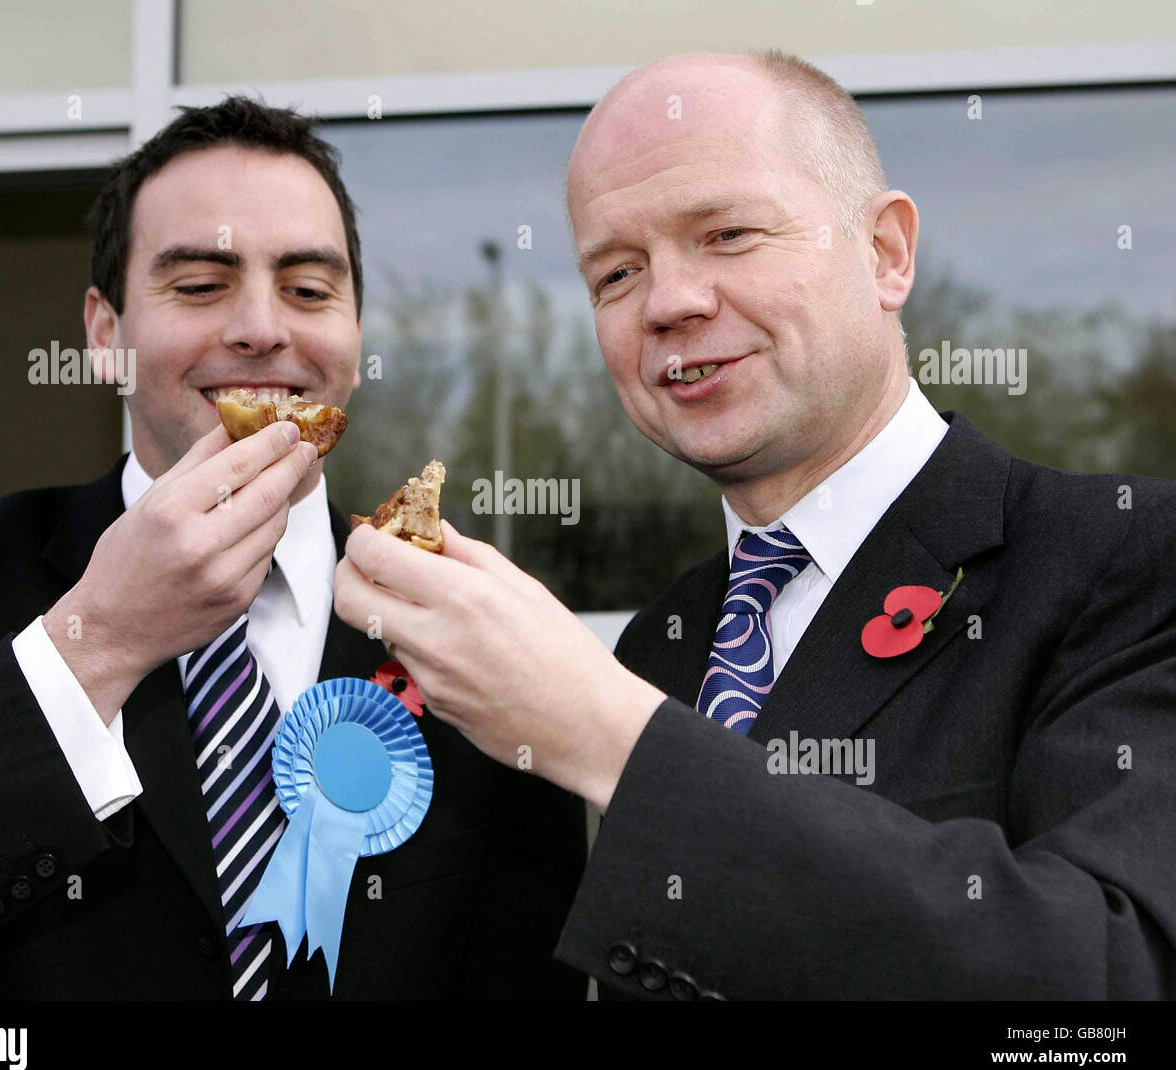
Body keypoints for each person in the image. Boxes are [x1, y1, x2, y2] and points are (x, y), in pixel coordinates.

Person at [334, 51, 1176, 1000]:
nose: (669, 302)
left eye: (728, 234)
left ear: (887, 253)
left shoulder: (1128, 560)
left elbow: (1109, 984)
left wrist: (616, 738)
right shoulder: (667, 638)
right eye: (616, 272)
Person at [0, 97, 587, 1001]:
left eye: (308, 288)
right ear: (105, 336)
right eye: (202, 284)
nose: (261, 327)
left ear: (355, 333)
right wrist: (105, 637)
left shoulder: (470, 628)